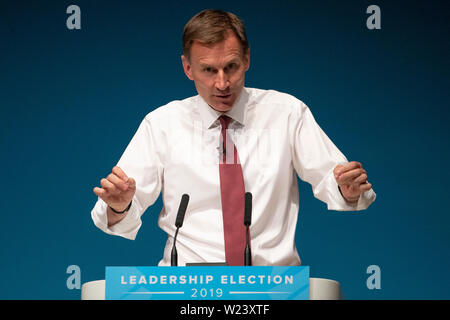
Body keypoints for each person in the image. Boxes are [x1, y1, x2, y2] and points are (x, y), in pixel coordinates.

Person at [91, 9, 376, 266]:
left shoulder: (287, 113)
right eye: (208, 70)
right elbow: (117, 213)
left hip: (274, 287)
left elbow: (334, 179)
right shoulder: (162, 124)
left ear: (247, 59)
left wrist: (346, 190)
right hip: (186, 290)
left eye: (231, 66)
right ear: (187, 68)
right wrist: (120, 205)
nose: (222, 83)